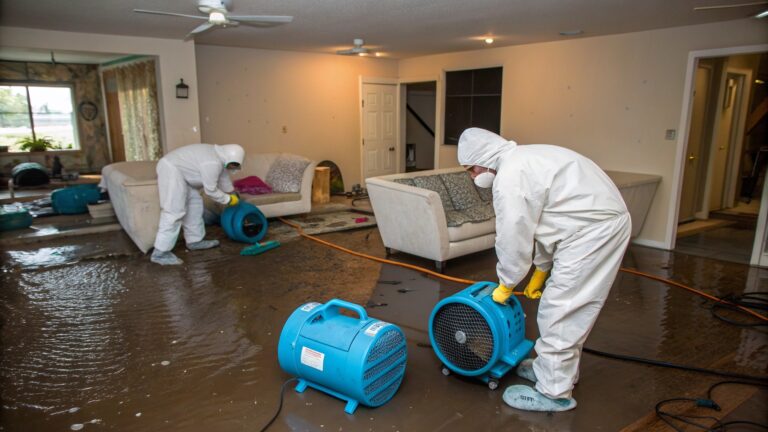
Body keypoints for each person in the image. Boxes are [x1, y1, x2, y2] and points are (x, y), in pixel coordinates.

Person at [458, 128, 631, 412]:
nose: (474, 176)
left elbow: (513, 236)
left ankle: (554, 393)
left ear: (484, 158)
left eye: (472, 169)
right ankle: (550, 370)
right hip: (589, 225)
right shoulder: (525, 158)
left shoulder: (510, 177)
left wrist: (507, 282)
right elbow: (548, 220)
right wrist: (541, 268)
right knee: (565, 306)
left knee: (561, 309)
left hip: (593, 231)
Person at [151, 144, 244, 265]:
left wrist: (232, 193)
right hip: (171, 169)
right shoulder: (212, 162)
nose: (232, 167)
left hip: (183, 175)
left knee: (195, 206)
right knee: (174, 210)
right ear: (228, 159)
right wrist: (228, 199)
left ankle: (194, 241)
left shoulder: (220, 159)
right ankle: (160, 253)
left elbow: (224, 179)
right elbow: (210, 190)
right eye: (232, 164)